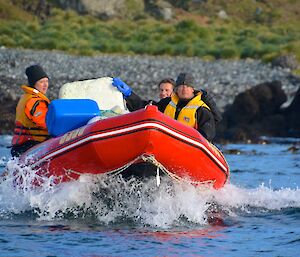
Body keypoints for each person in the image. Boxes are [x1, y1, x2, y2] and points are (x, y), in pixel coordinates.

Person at [112, 73, 221, 141]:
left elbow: (207, 134)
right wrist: (129, 94)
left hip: (188, 148)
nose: (184, 89)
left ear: (193, 89)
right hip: (166, 145)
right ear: (176, 89)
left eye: (187, 86)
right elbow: (144, 108)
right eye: (181, 86)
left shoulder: (201, 109)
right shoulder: (166, 103)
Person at [11, 64, 51, 157]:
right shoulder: (34, 101)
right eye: (41, 82)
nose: (45, 85)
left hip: (21, 146)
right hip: (28, 145)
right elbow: (45, 123)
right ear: (34, 83)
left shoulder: (26, 97)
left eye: (47, 81)